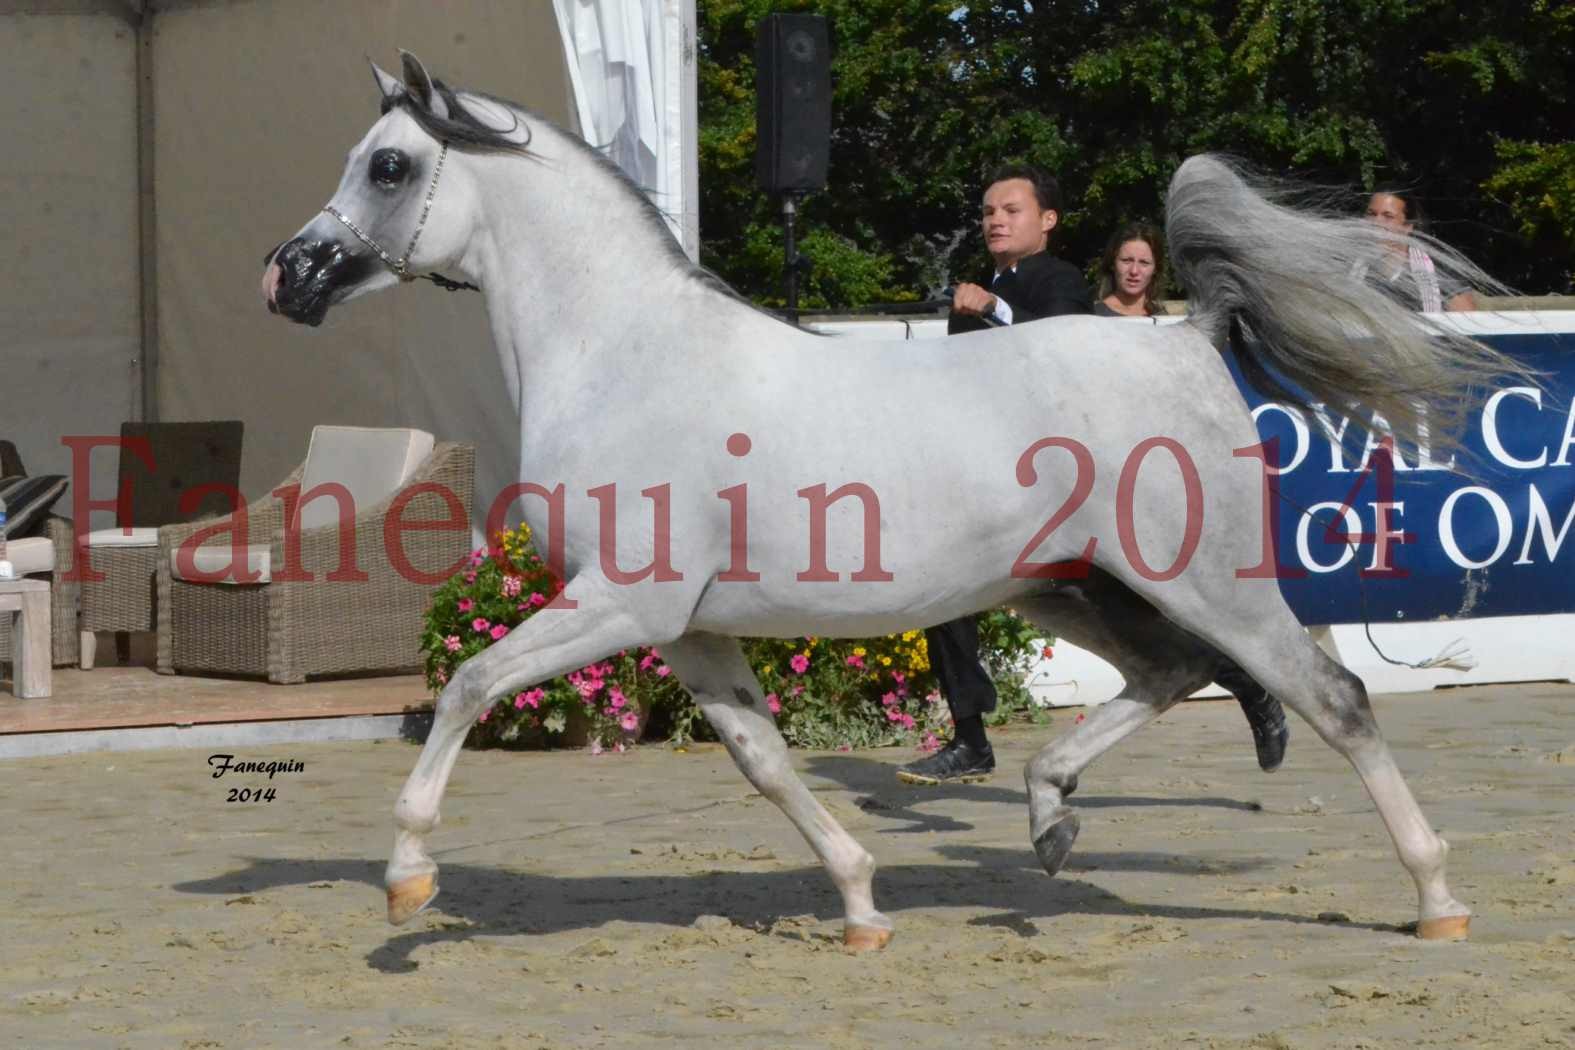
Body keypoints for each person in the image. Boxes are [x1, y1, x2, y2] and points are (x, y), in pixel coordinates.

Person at [895, 172, 1290, 785]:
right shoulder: (979, 292)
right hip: (997, 482)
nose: (994, 219)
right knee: (940, 589)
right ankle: (970, 739)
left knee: (1132, 605)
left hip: (1063, 489)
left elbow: (1066, 357)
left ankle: (1246, 682)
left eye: (1011, 209)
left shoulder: (1058, 283)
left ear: (1047, 221)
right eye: (988, 211)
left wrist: (993, 309)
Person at [1362, 189, 1478, 312]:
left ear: (1408, 226)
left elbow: (1467, 325)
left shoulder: (1439, 270)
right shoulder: (1353, 266)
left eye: (1388, 216)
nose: (1376, 223)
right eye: (1371, 214)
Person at [1094, 223, 1165, 317]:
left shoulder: (1163, 319)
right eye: (1126, 260)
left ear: (1155, 268)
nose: (1134, 271)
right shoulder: (1093, 317)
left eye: (1144, 262)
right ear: (1112, 263)